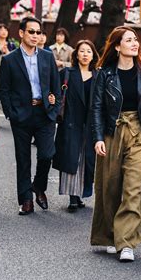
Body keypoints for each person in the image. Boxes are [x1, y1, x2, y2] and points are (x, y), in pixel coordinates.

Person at [90, 27, 141, 262]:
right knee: (109, 187)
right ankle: (109, 235)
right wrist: (98, 137)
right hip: (112, 131)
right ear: (117, 46)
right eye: (129, 40)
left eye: (135, 40)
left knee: (133, 187)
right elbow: (96, 107)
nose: (135, 43)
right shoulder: (104, 74)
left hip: (137, 132)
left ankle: (126, 241)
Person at [0, 16, 61, 215]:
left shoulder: (46, 56)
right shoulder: (9, 60)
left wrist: (54, 106)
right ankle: (26, 199)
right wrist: (11, 114)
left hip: (44, 113)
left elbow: (55, 85)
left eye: (38, 32)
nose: (35, 35)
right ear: (21, 33)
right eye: (31, 32)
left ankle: (39, 186)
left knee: (47, 154)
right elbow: (5, 90)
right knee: (23, 158)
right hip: (21, 115)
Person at [53, 40, 99, 212]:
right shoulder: (67, 73)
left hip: (90, 125)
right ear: (76, 54)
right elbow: (56, 93)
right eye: (82, 51)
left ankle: (79, 194)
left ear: (93, 55)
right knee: (73, 159)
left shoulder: (98, 76)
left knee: (86, 161)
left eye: (89, 51)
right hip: (71, 122)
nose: (85, 54)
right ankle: (73, 197)